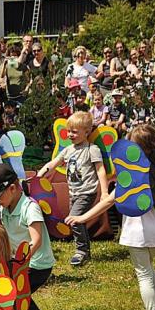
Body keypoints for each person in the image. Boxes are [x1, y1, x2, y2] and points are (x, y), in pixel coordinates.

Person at [66, 124, 155, 310]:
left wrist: (82, 218)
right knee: (149, 269)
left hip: (138, 235)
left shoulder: (132, 177)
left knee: (144, 274)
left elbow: (108, 202)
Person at [0, 164, 54, 310]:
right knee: (13, 289)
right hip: (18, 262)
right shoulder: (4, 208)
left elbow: (36, 240)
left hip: (37, 264)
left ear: (12, 189)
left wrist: (21, 262)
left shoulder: (29, 208)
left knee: (17, 292)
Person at [37, 111, 108, 267]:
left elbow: (100, 170)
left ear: (87, 132)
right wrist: (39, 176)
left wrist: (104, 192)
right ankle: (85, 250)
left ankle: (81, 251)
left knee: (74, 219)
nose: (70, 135)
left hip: (87, 192)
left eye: (74, 132)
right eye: (68, 131)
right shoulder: (68, 150)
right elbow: (53, 164)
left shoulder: (92, 149)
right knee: (77, 221)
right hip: (73, 193)